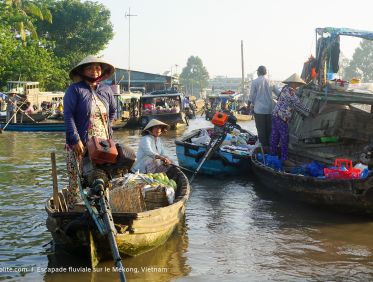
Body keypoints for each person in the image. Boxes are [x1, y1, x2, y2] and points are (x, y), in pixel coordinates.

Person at [64, 55, 116, 210]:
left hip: (102, 143)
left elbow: (113, 112)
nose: (95, 71)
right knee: (77, 178)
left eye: (98, 68)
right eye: (90, 67)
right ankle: (75, 209)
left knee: (101, 176)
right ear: (82, 70)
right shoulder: (75, 90)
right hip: (80, 142)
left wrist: (108, 129)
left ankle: (101, 208)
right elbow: (68, 115)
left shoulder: (106, 90)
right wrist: (75, 139)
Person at [270, 73, 313, 166]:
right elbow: (298, 104)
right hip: (282, 117)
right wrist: (310, 112)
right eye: (297, 84)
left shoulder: (284, 88)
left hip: (275, 115)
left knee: (275, 137)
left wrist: (301, 112)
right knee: (284, 138)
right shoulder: (290, 91)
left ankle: (272, 156)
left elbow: (292, 104)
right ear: (293, 83)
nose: (297, 86)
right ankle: (284, 159)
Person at [249, 66, 274, 152]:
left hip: (259, 109)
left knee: (261, 129)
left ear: (258, 72)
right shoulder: (270, 81)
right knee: (269, 129)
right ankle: (270, 148)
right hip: (269, 109)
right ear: (265, 72)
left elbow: (252, 96)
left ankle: (264, 149)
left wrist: (251, 103)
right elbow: (279, 93)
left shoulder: (255, 82)